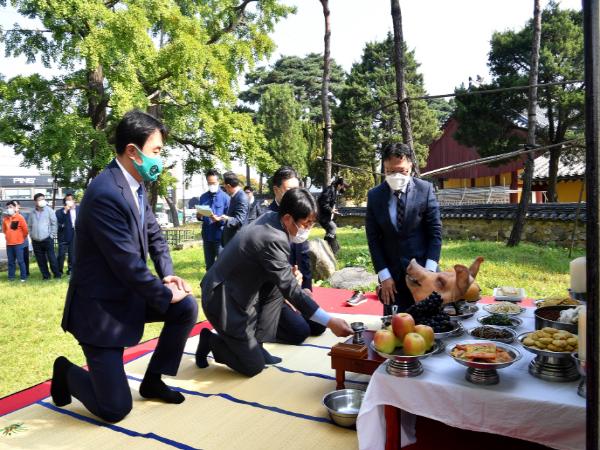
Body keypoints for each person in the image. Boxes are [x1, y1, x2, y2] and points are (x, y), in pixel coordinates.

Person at [52, 110, 198, 423]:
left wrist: (168, 274)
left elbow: (154, 234)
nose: (160, 158)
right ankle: (65, 372)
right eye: (156, 151)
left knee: (186, 306)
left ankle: (153, 381)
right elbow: (127, 263)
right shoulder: (105, 193)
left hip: (127, 297)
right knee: (115, 409)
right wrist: (163, 294)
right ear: (132, 151)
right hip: (101, 313)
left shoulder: (135, 184)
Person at [196, 188, 353, 377]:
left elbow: (280, 276)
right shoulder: (273, 237)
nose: (308, 229)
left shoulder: (273, 218)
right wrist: (330, 321)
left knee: (280, 286)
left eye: (312, 223)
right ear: (287, 218)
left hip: (242, 290)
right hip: (221, 299)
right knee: (252, 367)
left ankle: (258, 344)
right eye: (306, 224)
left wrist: (289, 276)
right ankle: (210, 341)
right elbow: (290, 288)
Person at [365, 143, 442, 314]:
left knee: (429, 323)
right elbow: (373, 239)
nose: (396, 176)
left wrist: (428, 273)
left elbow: (435, 234)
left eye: (401, 171)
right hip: (392, 278)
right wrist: (384, 276)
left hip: (423, 271)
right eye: (390, 171)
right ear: (384, 168)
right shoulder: (375, 196)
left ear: (410, 166)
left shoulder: (425, 190)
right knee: (394, 325)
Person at [264, 166, 326, 344]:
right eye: (289, 190)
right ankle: (255, 327)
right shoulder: (266, 219)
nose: (295, 194)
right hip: (270, 292)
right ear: (276, 190)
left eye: (297, 189)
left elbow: (303, 255)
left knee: (319, 325)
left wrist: (306, 289)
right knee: (300, 331)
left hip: (293, 286)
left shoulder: (300, 212)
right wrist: (288, 291)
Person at [197, 170, 230, 271]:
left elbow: (230, 219)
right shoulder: (203, 197)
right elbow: (200, 217)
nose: (211, 185)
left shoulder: (226, 198)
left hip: (219, 237)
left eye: (213, 183)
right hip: (207, 236)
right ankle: (210, 282)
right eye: (209, 183)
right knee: (209, 267)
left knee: (222, 266)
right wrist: (199, 215)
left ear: (218, 181)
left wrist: (219, 219)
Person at [27, 193, 60, 280]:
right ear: (35, 201)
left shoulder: (49, 210)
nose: (42, 201)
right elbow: (29, 226)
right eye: (40, 199)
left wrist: (52, 235)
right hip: (35, 240)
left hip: (47, 239)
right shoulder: (32, 213)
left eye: (43, 199)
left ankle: (57, 275)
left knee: (51, 258)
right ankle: (46, 276)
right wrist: (31, 235)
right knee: (40, 260)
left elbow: (54, 223)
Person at [318, 177, 348, 255]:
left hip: (325, 215)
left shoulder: (333, 190)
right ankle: (326, 249)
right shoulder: (329, 190)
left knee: (331, 230)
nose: (344, 189)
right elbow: (323, 204)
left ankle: (333, 249)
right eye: (343, 187)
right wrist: (331, 210)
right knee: (332, 228)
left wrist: (333, 210)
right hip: (321, 215)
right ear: (339, 185)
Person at [219, 171, 248, 247]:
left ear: (228, 186)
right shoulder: (234, 196)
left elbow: (239, 220)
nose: (224, 188)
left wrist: (226, 218)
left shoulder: (241, 197)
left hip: (236, 242)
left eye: (224, 186)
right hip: (231, 241)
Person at [2, 201, 28, 282]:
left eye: (10, 207)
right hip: (9, 244)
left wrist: (21, 238)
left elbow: (25, 230)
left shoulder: (20, 217)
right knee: (10, 262)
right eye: (7, 207)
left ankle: (23, 277)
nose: (9, 209)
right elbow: (4, 230)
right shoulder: (5, 219)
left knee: (20, 261)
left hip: (19, 244)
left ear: (15, 208)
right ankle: (11, 277)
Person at [56, 193, 78, 276]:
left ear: (74, 200)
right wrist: (65, 211)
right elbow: (59, 222)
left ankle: (71, 270)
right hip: (63, 235)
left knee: (72, 253)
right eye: (67, 200)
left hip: (74, 234)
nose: (69, 201)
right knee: (61, 254)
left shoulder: (79, 209)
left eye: (70, 199)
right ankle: (59, 271)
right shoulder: (60, 211)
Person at [14, 200, 30, 276]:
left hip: (23, 240)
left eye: (15, 205)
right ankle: (12, 274)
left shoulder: (25, 215)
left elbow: (27, 228)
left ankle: (26, 272)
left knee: (25, 257)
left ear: (19, 206)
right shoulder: (8, 217)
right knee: (14, 258)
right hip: (13, 241)